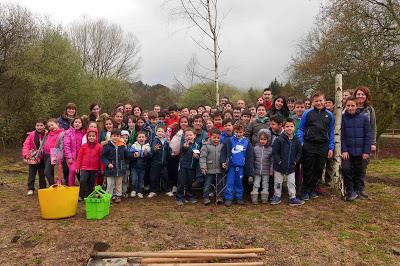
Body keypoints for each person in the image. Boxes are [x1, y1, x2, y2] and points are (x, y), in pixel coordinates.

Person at [298, 91, 334, 201]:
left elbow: (331, 131)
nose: (319, 103)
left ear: (324, 101)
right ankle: (305, 190)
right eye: (316, 101)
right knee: (308, 168)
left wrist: (331, 147)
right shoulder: (307, 113)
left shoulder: (330, 115)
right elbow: (300, 129)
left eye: (321, 100)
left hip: (323, 146)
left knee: (318, 169)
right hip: (308, 144)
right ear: (313, 102)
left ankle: (312, 189)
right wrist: (302, 142)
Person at [341, 96, 372, 201]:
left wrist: (366, 151)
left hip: (361, 151)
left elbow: (368, 135)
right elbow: (341, 136)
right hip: (347, 152)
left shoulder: (364, 118)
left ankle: (359, 190)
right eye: (348, 106)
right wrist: (344, 150)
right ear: (345, 106)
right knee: (346, 169)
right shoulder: (342, 119)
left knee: (359, 171)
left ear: (357, 106)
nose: (350, 108)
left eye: (352, 105)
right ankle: (350, 190)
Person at [271, 118, 304, 206]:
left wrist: (295, 161)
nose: (289, 128)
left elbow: (299, 152)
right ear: (283, 127)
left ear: (294, 127)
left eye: (291, 126)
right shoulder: (279, 139)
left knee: (291, 183)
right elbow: (275, 152)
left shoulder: (296, 140)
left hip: (291, 166)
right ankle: (277, 196)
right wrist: (279, 161)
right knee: (278, 182)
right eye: (287, 126)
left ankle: (293, 197)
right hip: (279, 166)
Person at [221, 121, 254, 206]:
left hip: (241, 167)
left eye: (240, 132)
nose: (238, 134)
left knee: (239, 182)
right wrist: (223, 161)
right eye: (237, 132)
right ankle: (228, 198)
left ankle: (239, 197)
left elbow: (249, 156)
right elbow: (223, 152)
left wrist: (250, 169)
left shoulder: (247, 142)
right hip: (231, 166)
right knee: (230, 182)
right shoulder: (229, 140)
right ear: (234, 131)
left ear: (244, 132)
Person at [101, 128, 129, 203]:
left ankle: (117, 196)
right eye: (114, 136)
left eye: (117, 136)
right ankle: (108, 197)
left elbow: (127, 156)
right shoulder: (107, 146)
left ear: (120, 137)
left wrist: (133, 155)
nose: (115, 137)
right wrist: (108, 163)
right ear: (111, 137)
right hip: (110, 169)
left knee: (119, 184)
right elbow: (103, 157)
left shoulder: (122, 146)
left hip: (120, 169)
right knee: (110, 184)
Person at [76, 128, 103, 199]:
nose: (91, 137)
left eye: (93, 136)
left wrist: (101, 168)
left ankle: (89, 195)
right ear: (87, 137)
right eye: (90, 136)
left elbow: (101, 158)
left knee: (91, 183)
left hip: (94, 168)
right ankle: (81, 195)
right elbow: (79, 157)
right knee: (83, 181)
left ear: (96, 137)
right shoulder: (84, 146)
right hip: (85, 168)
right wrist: (78, 166)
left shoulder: (99, 146)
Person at [200, 128, 224, 205]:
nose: (216, 139)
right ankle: (206, 197)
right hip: (209, 169)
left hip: (219, 168)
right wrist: (203, 167)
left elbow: (225, 156)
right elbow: (202, 157)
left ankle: (219, 197)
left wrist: (225, 164)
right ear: (210, 137)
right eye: (214, 137)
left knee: (219, 183)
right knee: (207, 184)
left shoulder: (222, 145)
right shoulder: (206, 146)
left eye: (218, 138)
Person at [22, 118, 47, 195]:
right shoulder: (31, 135)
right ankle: (30, 188)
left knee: (42, 174)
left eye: (41, 125)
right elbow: (26, 145)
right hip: (33, 158)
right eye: (37, 125)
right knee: (32, 174)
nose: (39, 127)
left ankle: (42, 188)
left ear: (44, 126)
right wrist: (26, 154)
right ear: (35, 126)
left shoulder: (48, 134)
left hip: (43, 158)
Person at [176, 128, 199, 206]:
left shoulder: (197, 145)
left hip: (192, 167)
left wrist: (197, 156)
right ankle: (180, 197)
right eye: (187, 135)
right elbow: (182, 150)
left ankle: (189, 196)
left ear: (194, 136)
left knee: (189, 183)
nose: (189, 136)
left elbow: (198, 155)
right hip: (183, 166)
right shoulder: (184, 143)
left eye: (190, 135)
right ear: (184, 136)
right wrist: (185, 147)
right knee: (181, 182)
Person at [250, 130, 272, 204]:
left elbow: (272, 161)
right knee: (256, 183)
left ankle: (264, 197)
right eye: (261, 139)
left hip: (266, 171)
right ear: (258, 139)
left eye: (264, 139)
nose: (262, 141)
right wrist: (252, 169)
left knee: (265, 184)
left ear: (268, 139)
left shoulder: (270, 149)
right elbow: (253, 160)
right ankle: (254, 197)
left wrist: (271, 170)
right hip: (257, 170)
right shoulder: (255, 148)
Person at [148, 126, 171, 198]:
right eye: (158, 131)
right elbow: (151, 152)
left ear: (164, 133)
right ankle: (153, 191)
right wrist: (154, 150)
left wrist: (171, 154)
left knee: (165, 177)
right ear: (156, 132)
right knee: (154, 177)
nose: (160, 133)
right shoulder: (154, 141)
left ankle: (167, 190)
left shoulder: (166, 142)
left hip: (164, 163)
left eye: (162, 131)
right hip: (155, 163)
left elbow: (168, 151)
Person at [63, 117, 85, 186]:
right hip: (71, 157)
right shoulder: (68, 132)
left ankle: (82, 187)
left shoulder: (83, 133)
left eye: (79, 122)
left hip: (81, 157)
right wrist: (69, 157)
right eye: (76, 122)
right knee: (72, 170)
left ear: (82, 124)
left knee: (82, 172)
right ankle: (71, 186)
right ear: (73, 123)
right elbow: (66, 145)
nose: (77, 124)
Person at [354, 86, 377, 153]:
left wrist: (373, 143)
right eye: (358, 94)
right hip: (351, 142)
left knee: (363, 162)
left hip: (365, 142)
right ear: (355, 95)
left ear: (366, 96)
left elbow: (373, 126)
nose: (360, 96)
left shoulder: (370, 109)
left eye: (363, 94)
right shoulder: (350, 108)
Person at [42, 119, 65, 186]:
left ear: (57, 124)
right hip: (45, 154)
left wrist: (60, 156)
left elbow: (61, 146)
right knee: (50, 172)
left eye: (52, 125)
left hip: (54, 153)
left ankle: (54, 186)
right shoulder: (48, 133)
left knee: (47, 172)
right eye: (49, 126)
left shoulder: (62, 133)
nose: (51, 127)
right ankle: (51, 186)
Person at [129, 131, 151, 198]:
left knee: (141, 179)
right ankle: (133, 190)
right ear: (137, 138)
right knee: (134, 179)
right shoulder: (134, 145)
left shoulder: (147, 146)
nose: (141, 138)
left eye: (143, 137)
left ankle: (140, 191)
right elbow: (130, 155)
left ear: (146, 138)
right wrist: (134, 155)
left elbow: (150, 156)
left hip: (143, 166)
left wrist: (146, 154)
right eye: (139, 137)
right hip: (134, 166)